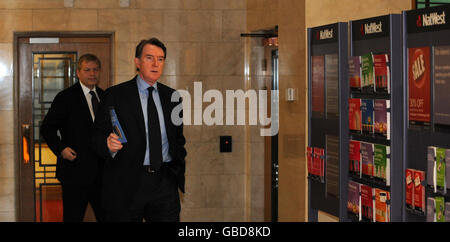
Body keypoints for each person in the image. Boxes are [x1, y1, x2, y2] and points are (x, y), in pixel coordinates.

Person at [92, 37, 187, 222]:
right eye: (149, 57)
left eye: (160, 59)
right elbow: (96, 136)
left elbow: (178, 139)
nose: (155, 63)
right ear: (137, 62)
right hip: (127, 184)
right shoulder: (115, 95)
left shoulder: (173, 97)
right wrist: (107, 144)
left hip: (164, 183)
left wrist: (175, 170)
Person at [40, 54, 105, 222]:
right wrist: (61, 149)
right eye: (87, 70)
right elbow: (47, 128)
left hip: (103, 174)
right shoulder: (65, 97)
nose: (92, 74)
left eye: (95, 70)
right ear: (78, 72)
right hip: (75, 173)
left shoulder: (106, 97)